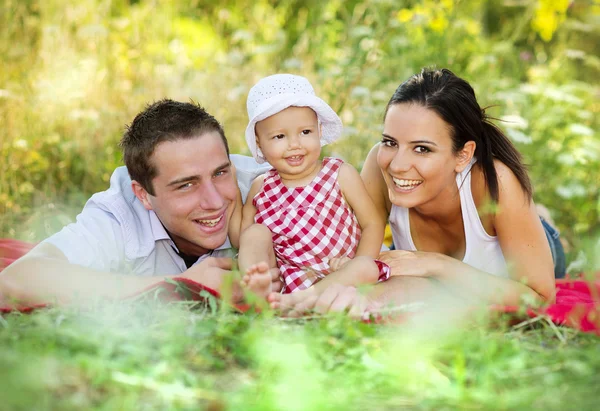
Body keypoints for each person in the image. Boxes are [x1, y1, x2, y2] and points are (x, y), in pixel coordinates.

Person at [278, 68, 566, 315]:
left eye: (422, 148)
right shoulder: (380, 165)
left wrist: (433, 264)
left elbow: (540, 298)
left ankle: (546, 223)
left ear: (463, 155)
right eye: (391, 142)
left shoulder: (495, 183)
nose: (398, 165)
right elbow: (342, 253)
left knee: (550, 237)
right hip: (417, 260)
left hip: (525, 247)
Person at [0, 99, 280, 307]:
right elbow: (14, 280)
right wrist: (181, 286)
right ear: (143, 194)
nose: (215, 200)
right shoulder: (119, 212)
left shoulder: (270, 189)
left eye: (220, 172)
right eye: (187, 184)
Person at [227, 74, 390, 305]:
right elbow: (240, 239)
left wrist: (355, 262)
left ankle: (305, 301)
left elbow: (372, 223)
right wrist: (231, 187)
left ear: (319, 131)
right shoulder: (261, 187)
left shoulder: (340, 174)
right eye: (280, 136)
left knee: (366, 267)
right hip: (288, 283)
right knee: (254, 233)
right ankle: (261, 292)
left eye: (305, 132)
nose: (295, 144)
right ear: (259, 142)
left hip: (342, 277)